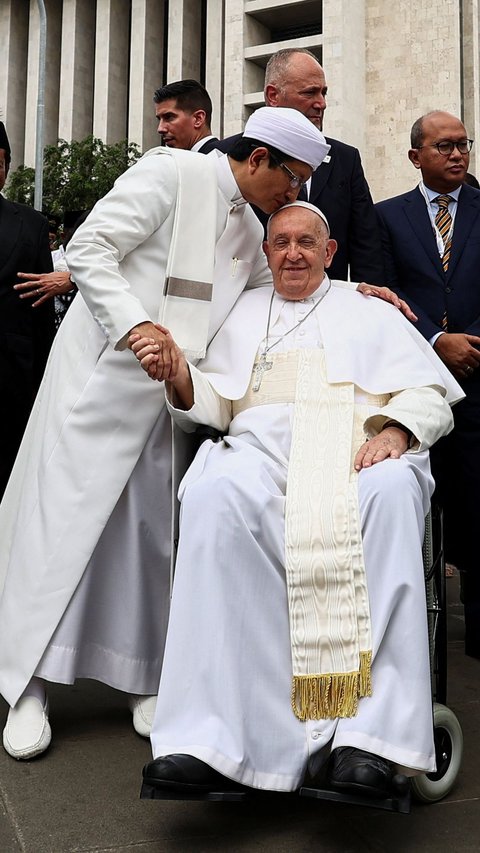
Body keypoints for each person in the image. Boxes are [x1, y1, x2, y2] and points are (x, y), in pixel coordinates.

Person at [0, 107, 329, 760]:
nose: (294, 196)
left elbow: (272, 299)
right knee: (62, 531)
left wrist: (355, 294)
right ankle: (25, 685)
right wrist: (136, 325)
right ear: (259, 158)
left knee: (146, 541)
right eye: (292, 180)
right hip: (99, 382)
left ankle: (140, 673)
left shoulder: (250, 229)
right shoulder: (173, 173)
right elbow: (92, 248)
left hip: (167, 403)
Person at [132, 201, 461, 800]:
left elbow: (431, 393)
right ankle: (215, 740)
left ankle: (372, 741)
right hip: (262, 459)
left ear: (329, 252)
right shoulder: (243, 312)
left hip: (355, 455)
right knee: (211, 492)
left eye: (306, 242)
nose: (292, 254)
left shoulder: (368, 307)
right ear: (265, 253)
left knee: (391, 490)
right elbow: (215, 403)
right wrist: (181, 374)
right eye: (280, 243)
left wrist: (395, 431)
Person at [375, 110, 480, 660]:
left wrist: (469, 342)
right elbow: (382, 289)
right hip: (415, 377)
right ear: (416, 156)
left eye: (463, 145)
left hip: (479, 375)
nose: (458, 154)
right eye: (444, 147)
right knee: (416, 501)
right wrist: (435, 342)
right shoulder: (387, 217)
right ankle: (416, 630)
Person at [215, 48, 384, 283]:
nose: (322, 103)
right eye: (310, 93)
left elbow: (366, 246)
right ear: (273, 96)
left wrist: (365, 299)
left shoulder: (346, 159)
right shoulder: (222, 158)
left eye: (324, 93)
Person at [0, 121, 55, 499]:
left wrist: (46, 383)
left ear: (4, 166)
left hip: (13, 379)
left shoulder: (31, 224)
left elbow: (42, 313)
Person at [154, 79, 219, 152]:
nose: (160, 129)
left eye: (169, 117)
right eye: (159, 119)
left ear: (198, 119)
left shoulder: (225, 159)